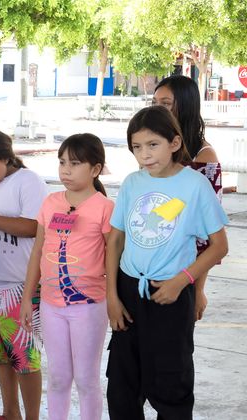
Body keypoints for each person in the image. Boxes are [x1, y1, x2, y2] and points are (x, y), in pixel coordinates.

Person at [106, 106, 228, 420]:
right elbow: (116, 240)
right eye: (136, 147)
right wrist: (112, 296)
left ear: (174, 143)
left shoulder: (194, 186)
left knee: (171, 387)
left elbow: (218, 247)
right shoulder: (132, 183)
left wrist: (182, 281)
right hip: (128, 290)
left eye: (152, 145)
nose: (144, 154)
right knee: (121, 388)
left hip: (172, 295)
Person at [19, 134, 113, 420]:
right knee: (58, 379)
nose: (66, 170)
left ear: (95, 169)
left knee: (86, 380)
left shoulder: (104, 207)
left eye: (74, 163)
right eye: (62, 163)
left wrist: (115, 300)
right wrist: (27, 299)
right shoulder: (50, 203)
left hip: (89, 306)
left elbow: (114, 257)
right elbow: (37, 251)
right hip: (51, 305)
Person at [0, 127, 48, 420]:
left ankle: (32, 417)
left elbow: (32, 227)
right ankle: (10, 412)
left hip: (21, 285)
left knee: (26, 358)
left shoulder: (28, 182)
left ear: (6, 158)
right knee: (2, 354)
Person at [153, 75, 220, 321]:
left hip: (182, 275)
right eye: (154, 102)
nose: (157, 109)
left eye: (166, 103)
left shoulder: (204, 156)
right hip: (147, 268)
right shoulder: (153, 151)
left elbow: (208, 236)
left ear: (185, 105)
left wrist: (198, 288)